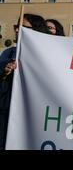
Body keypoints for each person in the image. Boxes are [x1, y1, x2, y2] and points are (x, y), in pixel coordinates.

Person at [0, 14, 49, 150]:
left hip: (33, 114)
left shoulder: (46, 55)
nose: (17, 30)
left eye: (23, 27)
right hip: (7, 112)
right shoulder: (8, 53)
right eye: (16, 26)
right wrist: (4, 72)